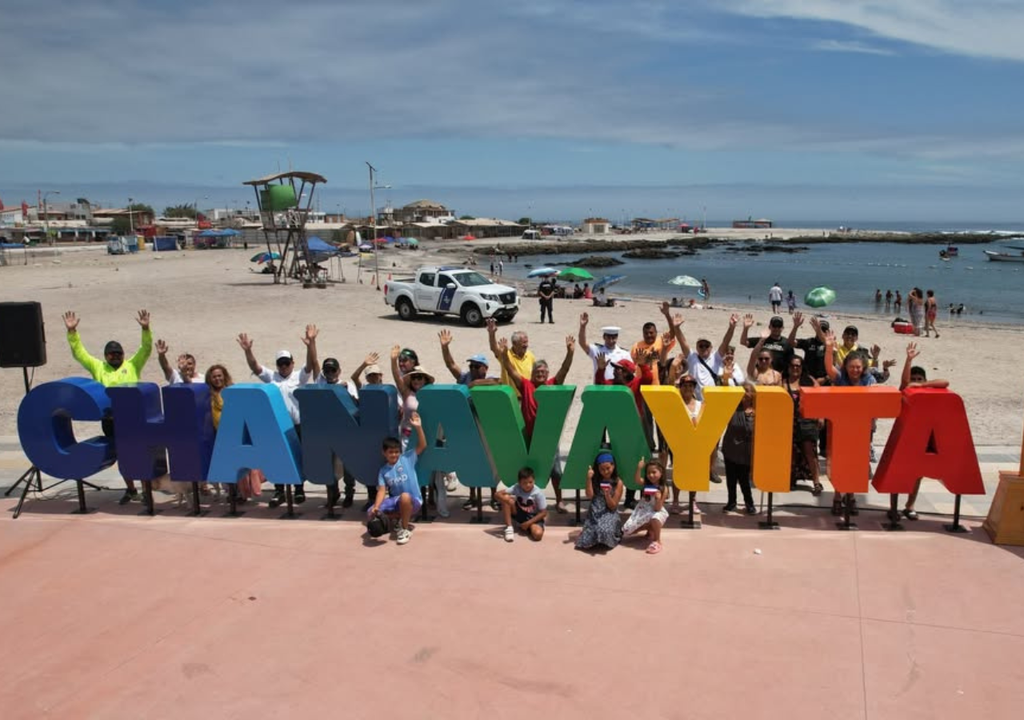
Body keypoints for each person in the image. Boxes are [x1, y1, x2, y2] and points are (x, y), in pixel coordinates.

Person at [63, 309, 153, 504]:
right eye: (111, 354)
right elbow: (80, 354)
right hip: (110, 420)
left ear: (123, 354)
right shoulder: (98, 367)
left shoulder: (132, 365)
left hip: (134, 418)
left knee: (140, 453)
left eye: (118, 353)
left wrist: (146, 329)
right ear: (105, 356)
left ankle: (146, 490)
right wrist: (72, 333)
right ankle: (131, 489)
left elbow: (145, 349)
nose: (115, 356)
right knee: (122, 455)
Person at [237, 325, 318, 507]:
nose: (283, 367)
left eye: (286, 363)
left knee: (298, 457)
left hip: (296, 425)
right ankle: (279, 491)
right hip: (277, 425)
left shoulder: (299, 377)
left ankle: (298, 490)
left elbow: (311, 364)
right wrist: (248, 351)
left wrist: (311, 343)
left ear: (292, 362)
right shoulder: (272, 377)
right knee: (277, 458)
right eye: (280, 364)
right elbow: (255, 367)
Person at [497, 335, 575, 513]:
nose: (540, 374)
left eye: (543, 372)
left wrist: (570, 352)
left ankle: (559, 500)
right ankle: (522, 499)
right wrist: (503, 355)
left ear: (547, 374)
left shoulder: (552, 384)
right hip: (528, 436)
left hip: (548, 436)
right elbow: (510, 370)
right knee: (525, 471)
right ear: (532, 373)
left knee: (556, 470)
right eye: (537, 371)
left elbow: (564, 369)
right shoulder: (525, 385)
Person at [439, 329, 499, 512]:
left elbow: (499, 380)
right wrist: (445, 347)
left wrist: (474, 384)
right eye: (471, 366)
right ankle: (473, 497)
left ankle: (493, 496)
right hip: (467, 428)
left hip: (485, 429)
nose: (472, 369)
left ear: (485, 368)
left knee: (490, 464)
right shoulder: (464, 378)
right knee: (471, 462)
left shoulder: (487, 380)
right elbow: (450, 364)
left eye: (476, 366)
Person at [824, 330, 876, 516]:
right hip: (841, 429)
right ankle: (838, 497)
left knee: (855, 464)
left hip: (861, 429)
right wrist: (829, 348)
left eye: (858, 367)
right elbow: (829, 368)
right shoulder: (841, 379)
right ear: (846, 367)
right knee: (840, 463)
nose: (855, 370)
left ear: (863, 368)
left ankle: (851, 497)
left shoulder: (868, 380)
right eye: (852, 367)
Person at [368, 411, 427, 545]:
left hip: (414, 501)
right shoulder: (383, 471)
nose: (394, 454)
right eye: (390, 452)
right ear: (384, 453)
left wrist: (418, 427)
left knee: (405, 496)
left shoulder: (407, 458)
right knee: (370, 512)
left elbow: (422, 445)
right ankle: (399, 519)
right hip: (396, 502)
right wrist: (376, 507)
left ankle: (404, 529)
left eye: (396, 451)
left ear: (400, 451)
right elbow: (382, 491)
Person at [783, 356, 822, 496]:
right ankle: (791, 478)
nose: (795, 368)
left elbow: (820, 399)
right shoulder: (783, 383)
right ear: (788, 367)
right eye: (793, 365)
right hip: (789, 423)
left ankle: (816, 482)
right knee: (791, 453)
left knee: (810, 453)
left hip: (807, 422)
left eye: (798, 366)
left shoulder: (809, 380)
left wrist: (821, 416)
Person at [574, 452, 624, 551]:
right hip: (595, 510)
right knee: (593, 531)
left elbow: (613, 506)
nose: (605, 472)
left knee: (605, 531)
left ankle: (612, 535)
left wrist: (607, 495)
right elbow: (590, 495)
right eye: (602, 469)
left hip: (609, 512)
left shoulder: (618, 482)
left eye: (608, 468)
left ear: (613, 466)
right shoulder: (596, 479)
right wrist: (588, 479)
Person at [721, 383, 757, 514]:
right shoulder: (733, 408)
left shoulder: (758, 410)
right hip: (731, 448)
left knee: (744, 479)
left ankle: (749, 503)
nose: (744, 393)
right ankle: (731, 502)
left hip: (746, 451)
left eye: (747, 391)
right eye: (742, 391)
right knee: (731, 478)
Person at [623, 458, 669, 554]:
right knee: (627, 531)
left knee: (655, 518)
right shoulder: (646, 483)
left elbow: (657, 508)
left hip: (656, 510)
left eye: (654, 472)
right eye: (648, 473)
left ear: (661, 473)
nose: (651, 475)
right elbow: (637, 480)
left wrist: (658, 499)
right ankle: (649, 529)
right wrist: (639, 468)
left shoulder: (664, 488)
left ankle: (657, 541)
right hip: (643, 510)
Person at [496, 467, 548, 542]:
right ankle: (509, 528)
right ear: (519, 482)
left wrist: (528, 523)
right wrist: (507, 500)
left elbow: (544, 513)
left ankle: (526, 526)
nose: (528, 485)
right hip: (519, 512)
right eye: (524, 483)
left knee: (538, 535)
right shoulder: (516, 487)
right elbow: (497, 494)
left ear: (534, 481)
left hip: (533, 517)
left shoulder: (538, 493)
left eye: (530, 482)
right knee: (506, 497)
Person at [487, 318, 534, 399]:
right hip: (511, 398)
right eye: (524, 343)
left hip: (527, 397)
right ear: (515, 343)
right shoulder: (506, 354)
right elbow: (494, 348)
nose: (526, 345)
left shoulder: (530, 355)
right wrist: (492, 334)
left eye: (527, 342)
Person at [578, 314, 631, 381]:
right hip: (600, 387)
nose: (611, 341)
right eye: (608, 338)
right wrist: (583, 327)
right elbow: (582, 343)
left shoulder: (624, 354)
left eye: (613, 338)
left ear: (617, 338)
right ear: (604, 337)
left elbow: (630, 372)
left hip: (618, 388)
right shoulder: (597, 350)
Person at [788, 313, 830, 383]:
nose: (821, 331)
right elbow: (791, 342)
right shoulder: (809, 342)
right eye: (820, 329)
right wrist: (795, 327)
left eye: (823, 330)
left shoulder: (830, 344)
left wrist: (825, 378)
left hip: (824, 380)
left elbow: (826, 343)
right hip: (808, 378)